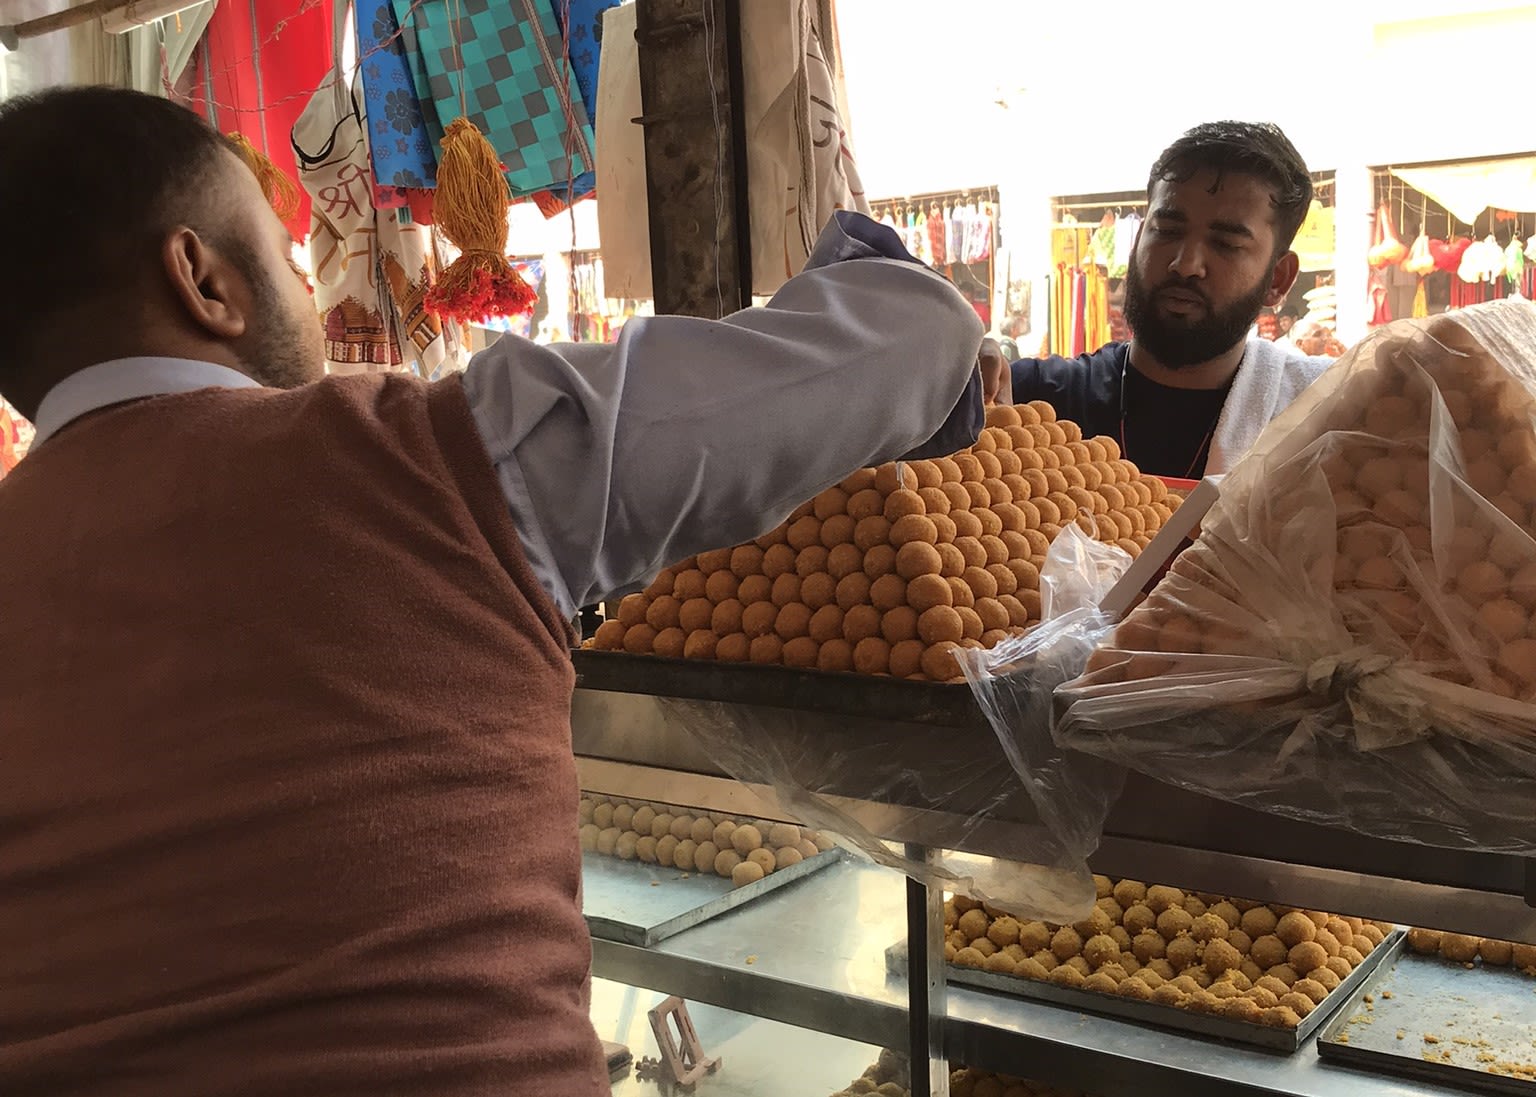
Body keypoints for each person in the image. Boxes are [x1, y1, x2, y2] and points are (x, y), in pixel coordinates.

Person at [0, 88, 985, 1096]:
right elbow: (905, 340)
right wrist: (882, 276)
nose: (307, 289)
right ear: (201, 279)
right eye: (289, 260)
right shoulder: (426, 462)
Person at [981, 121, 1332, 480]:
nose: (1186, 264)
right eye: (1167, 231)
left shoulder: (1317, 430)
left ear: (1278, 279)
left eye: (1226, 243)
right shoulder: (1027, 407)